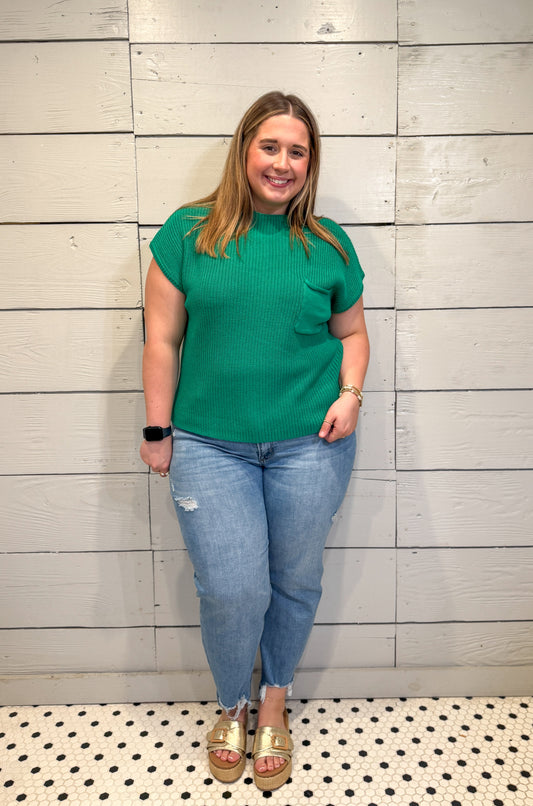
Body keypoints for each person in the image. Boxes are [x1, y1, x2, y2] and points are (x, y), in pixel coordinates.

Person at [140, 91, 369, 791]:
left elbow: (352, 334)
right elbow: (160, 339)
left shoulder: (327, 243)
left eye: (297, 151)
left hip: (312, 442)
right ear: (245, 150)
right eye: (270, 147)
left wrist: (350, 395)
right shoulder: (188, 232)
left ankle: (274, 699)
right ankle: (230, 705)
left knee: (294, 580)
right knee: (232, 589)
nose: (282, 162)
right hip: (209, 445)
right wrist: (156, 427)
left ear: (310, 162)